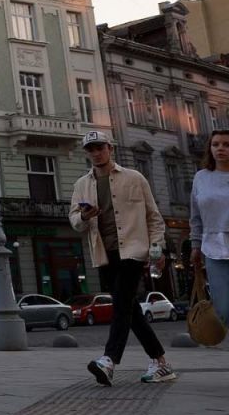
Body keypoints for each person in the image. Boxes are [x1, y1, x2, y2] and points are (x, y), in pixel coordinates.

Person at [70, 130, 177, 386]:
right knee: (129, 309)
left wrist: (157, 248)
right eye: (91, 149)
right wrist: (85, 216)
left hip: (133, 249)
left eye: (100, 148)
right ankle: (161, 362)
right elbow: (74, 221)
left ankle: (109, 360)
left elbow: (153, 216)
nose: (96, 153)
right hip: (104, 254)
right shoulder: (81, 185)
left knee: (120, 304)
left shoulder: (134, 178)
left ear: (111, 148)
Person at [190, 129, 229, 327]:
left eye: (226, 145)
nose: (220, 148)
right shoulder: (201, 177)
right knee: (223, 308)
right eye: (216, 144)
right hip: (213, 248)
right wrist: (195, 245)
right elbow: (195, 215)